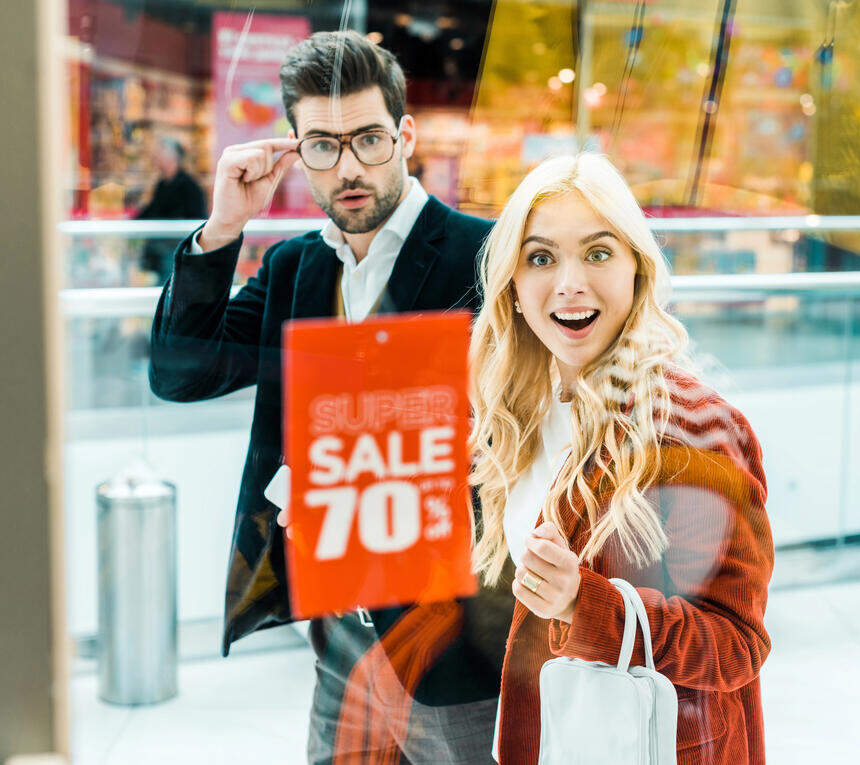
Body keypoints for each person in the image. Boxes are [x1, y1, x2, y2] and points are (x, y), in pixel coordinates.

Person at [148, 31, 503, 763]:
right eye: (322, 145)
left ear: (404, 136)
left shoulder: (485, 255)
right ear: (295, 151)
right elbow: (180, 372)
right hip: (343, 631)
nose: (348, 167)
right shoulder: (295, 269)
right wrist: (223, 229)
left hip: (456, 637)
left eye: (369, 139)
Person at [468, 153, 774, 763]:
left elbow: (737, 643)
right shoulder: (521, 412)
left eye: (598, 253)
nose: (570, 283)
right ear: (513, 283)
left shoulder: (695, 428)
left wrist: (588, 606)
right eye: (541, 257)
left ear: (637, 266)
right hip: (556, 736)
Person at [135, 137, 207, 283]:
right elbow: (151, 210)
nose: (155, 157)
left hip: (175, 253)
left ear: (171, 157)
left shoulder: (189, 186)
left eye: (159, 153)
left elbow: (196, 219)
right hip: (160, 250)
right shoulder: (162, 184)